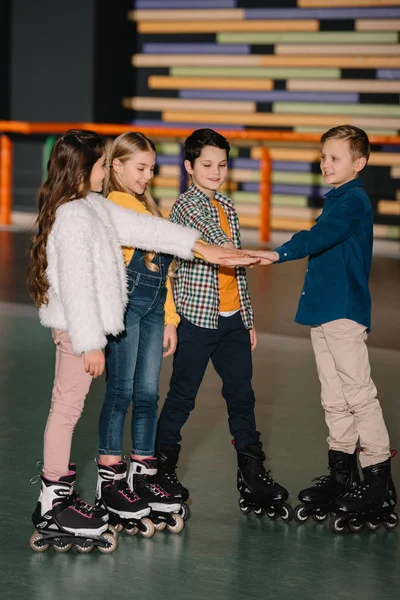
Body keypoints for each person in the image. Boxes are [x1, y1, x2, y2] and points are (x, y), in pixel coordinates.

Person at [27, 129, 257, 552]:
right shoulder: (74, 216)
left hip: (86, 328)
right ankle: (53, 503)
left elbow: (147, 230)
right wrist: (90, 342)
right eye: (100, 165)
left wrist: (206, 250)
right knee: (66, 410)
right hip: (78, 329)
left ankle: (56, 497)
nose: (104, 172)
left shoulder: (91, 206)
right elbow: (76, 285)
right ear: (84, 169)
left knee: (69, 408)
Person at [251, 125, 397, 533]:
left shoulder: (352, 201)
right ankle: (341, 474)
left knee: (358, 394)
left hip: (344, 312)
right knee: (333, 396)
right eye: (323, 156)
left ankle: (378, 483)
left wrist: (279, 252)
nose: (325, 163)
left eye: (335, 157)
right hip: (323, 311)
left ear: (359, 163)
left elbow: (322, 237)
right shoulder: (336, 198)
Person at [155, 128, 292, 522]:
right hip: (196, 320)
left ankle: (252, 474)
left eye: (221, 164)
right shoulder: (186, 207)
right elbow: (220, 250)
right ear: (189, 167)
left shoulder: (227, 206)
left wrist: (247, 318)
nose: (216, 172)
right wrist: (267, 255)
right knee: (182, 396)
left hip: (231, 321)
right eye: (207, 165)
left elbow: (237, 274)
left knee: (242, 398)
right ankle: (159, 469)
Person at [95, 132, 187, 535]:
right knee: (122, 392)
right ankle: (110, 478)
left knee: (149, 393)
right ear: (116, 166)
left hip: (152, 311)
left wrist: (170, 318)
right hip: (126, 310)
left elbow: (162, 270)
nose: (148, 176)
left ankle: (143, 473)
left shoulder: (147, 206)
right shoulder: (115, 204)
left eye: (152, 169)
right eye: (141, 168)